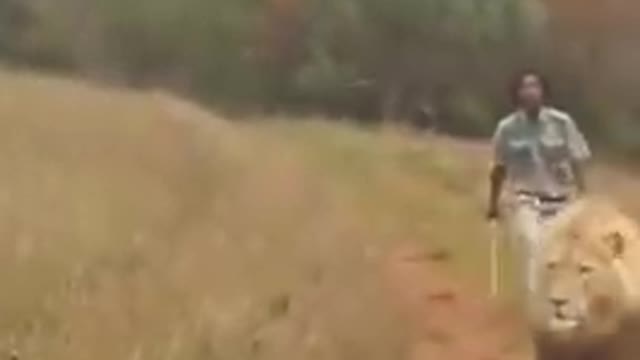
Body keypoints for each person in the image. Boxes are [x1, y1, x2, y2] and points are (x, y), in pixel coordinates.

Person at [486, 69, 591, 296]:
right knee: (534, 244)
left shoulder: (562, 123)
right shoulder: (507, 129)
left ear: (544, 92)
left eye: (535, 86)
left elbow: (578, 160)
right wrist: (493, 204)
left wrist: (584, 197)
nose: (531, 91)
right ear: (518, 94)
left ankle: (561, 299)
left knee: (563, 254)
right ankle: (538, 301)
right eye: (525, 87)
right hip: (525, 199)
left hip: (562, 201)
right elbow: (498, 168)